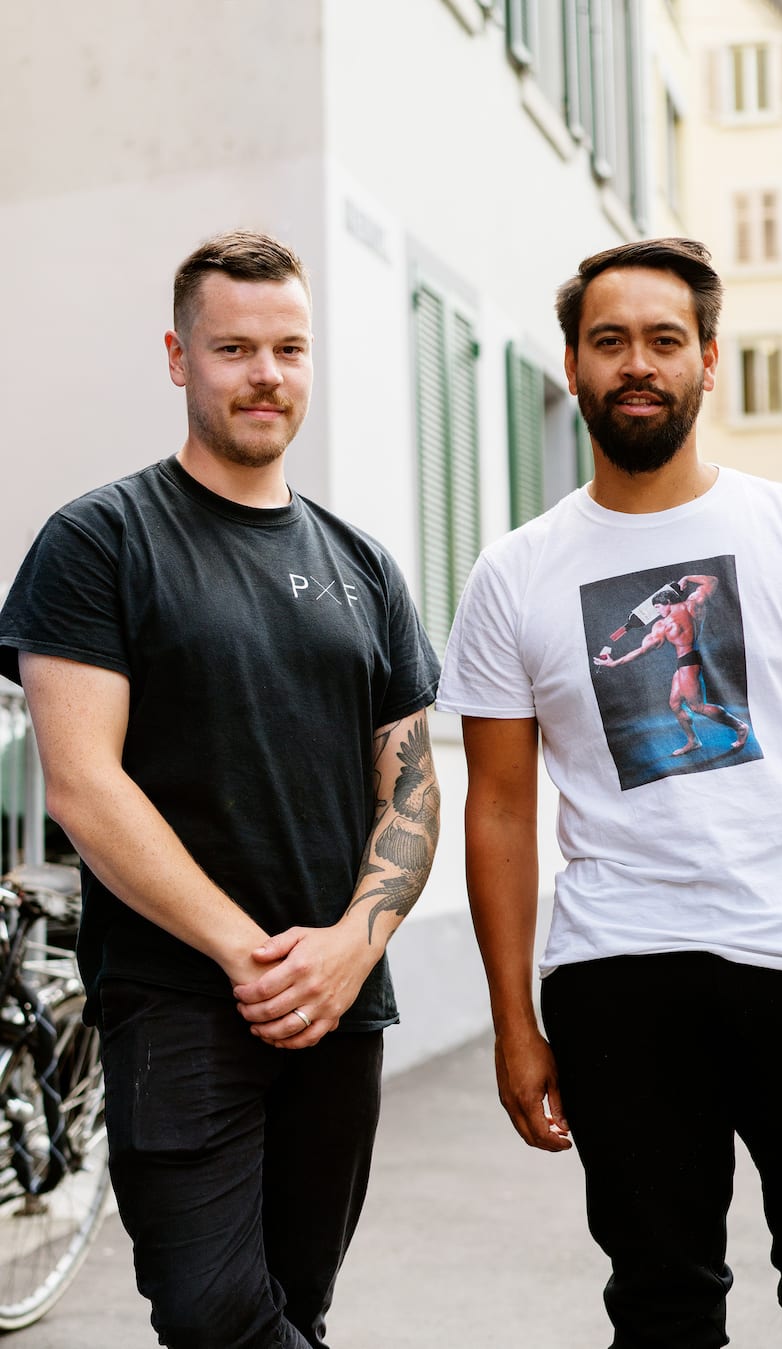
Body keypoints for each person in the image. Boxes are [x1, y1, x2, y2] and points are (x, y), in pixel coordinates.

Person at [436, 237, 782, 1347]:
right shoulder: (514, 572)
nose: (637, 363)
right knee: (660, 1308)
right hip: (619, 976)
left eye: (663, 339)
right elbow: (498, 806)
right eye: (610, 341)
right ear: (572, 365)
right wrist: (512, 1022)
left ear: (709, 360)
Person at [0, 230, 441, 1349]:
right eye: (233, 347)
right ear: (178, 357)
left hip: (340, 1003)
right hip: (177, 999)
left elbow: (411, 788)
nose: (265, 374)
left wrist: (347, 948)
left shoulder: (364, 566)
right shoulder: (101, 539)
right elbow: (83, 784)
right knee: (215, 1316)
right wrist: (251, 954)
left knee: (298, 1307)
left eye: (289, 348)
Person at [594, 573, 749, 756]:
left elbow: (642, 651)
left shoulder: (664, 625)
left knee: (697, 707)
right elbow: (712, 581)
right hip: (688, 660)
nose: (657, 612)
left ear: (667, 602)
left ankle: (740, 727)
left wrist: (614, 663)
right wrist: (687, 578)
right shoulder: (694, 602)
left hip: (689, 662)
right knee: (675, 703)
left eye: (658, 607)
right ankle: (693, 741)